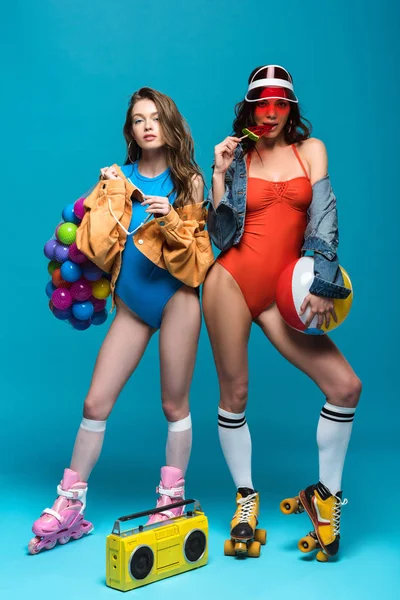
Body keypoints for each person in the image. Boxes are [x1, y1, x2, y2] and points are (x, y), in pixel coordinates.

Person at [29, 87, 214, 554]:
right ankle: (69, 504)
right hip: (132, 306)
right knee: (95, 403)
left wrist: (170, 217)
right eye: (138, 120)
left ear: (169, 124)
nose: (147, 125)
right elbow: (93, 248)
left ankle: (171, 501)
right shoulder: (118, 177)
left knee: (174, 405)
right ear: (130, 130)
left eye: (155, 117)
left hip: (177, 299)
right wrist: (105, 195)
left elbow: (196, 262)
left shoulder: (188, 181)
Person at [203, 65, 362, 558]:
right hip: (230, 281)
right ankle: (246, 498)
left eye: (280, 104)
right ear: (248, 109)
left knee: (345, 386)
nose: (269, 113)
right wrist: (220, 174)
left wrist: (322, 278)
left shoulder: (309, 151)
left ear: (290, 108)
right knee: (236, 390)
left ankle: (325, 499)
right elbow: (220, 236)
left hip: (282, 291)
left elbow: (324, 213)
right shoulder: (240, 156)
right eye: (260, 104)